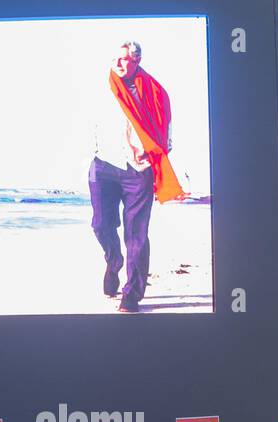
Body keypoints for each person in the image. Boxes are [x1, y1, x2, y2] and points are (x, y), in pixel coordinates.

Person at [89, 41, 184, 313]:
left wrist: (151, 153)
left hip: (138, 169)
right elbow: (88, 120)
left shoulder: (154, 91)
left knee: (136, 235)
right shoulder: (103, 88)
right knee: (100, 224)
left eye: (124, 59)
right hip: (103, 163)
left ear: (137, 59)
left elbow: (166, 128)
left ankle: (131, 294)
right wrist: (92, 151)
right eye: (115, 59)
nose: (118, 64)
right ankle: (113, 260)